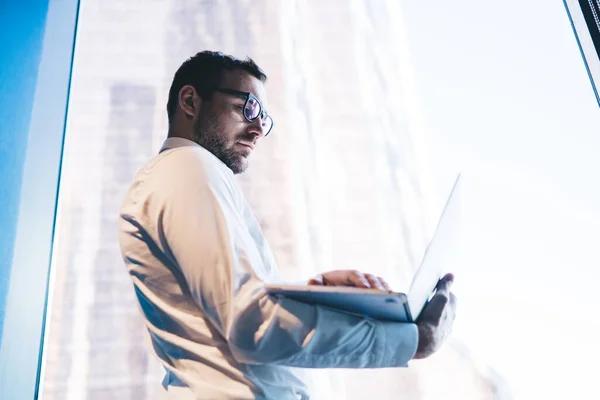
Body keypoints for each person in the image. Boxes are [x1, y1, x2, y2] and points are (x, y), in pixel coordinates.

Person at [118, 50, 457, 400]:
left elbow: (228, 316)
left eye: (263, 118)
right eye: (248, 108)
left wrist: (309, 295)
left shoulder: (180, 176)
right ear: (190, 100)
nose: (257, 130)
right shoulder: (187, 168)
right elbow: (251, 324)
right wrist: (408, 341)